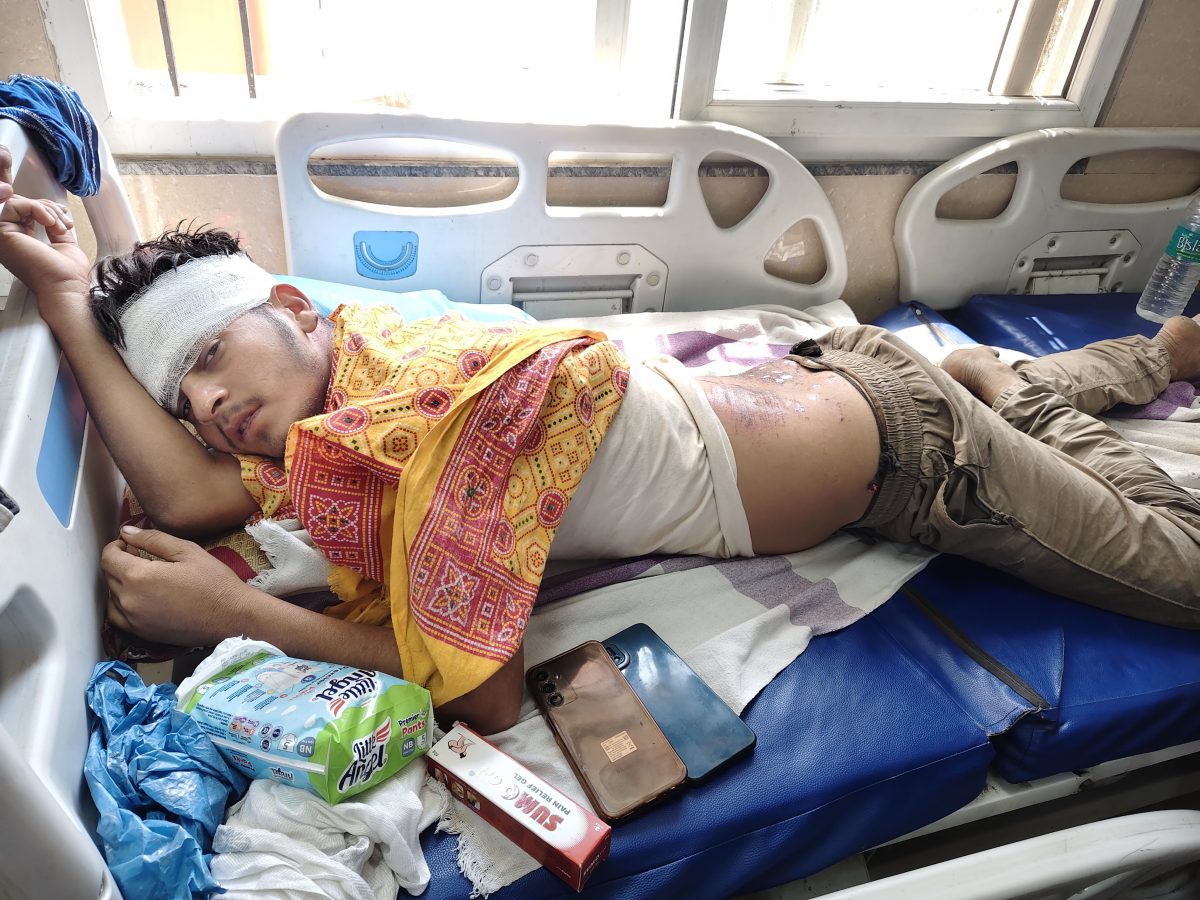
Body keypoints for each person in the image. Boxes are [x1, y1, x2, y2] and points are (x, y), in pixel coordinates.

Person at [2, 149, 1199, 735]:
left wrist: (237, 615)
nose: (210, 405)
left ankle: (1002, 390)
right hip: (836, 381)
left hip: (918, 462)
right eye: (185, 396)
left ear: (295, 308)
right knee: (989, 403)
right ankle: (1057, 372)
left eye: (212, 353)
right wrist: (63, 297)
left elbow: (484, 701)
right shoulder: (341, 378)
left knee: (1185, 566)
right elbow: (194, 494)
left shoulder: (437, 417)